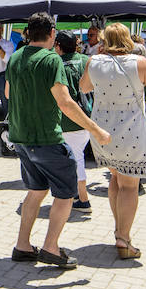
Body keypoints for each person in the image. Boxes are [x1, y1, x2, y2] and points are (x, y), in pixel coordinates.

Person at [6, 12, 112, 270]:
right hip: (46, 138)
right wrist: (95, 129)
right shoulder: (52, 59)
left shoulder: (15, 57)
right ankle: (51, 248)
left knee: (36, 191)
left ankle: (22, 245)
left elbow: (9, 93)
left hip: (20, 137)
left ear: (29, 33)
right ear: (52, 34)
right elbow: (65, 102)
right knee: (66, 194)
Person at [81, 23, 146, 259]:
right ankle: (123, 238)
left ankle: (119, 229)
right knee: (129, 184)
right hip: (130, 131)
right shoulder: (139, 62)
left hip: (102, 130)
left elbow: (84, 87)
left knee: (116, 178)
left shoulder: (94, 61)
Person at [54, 31, 94, 211]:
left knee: (75, 159)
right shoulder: (86, 60)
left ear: (58, 46)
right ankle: (77, 194)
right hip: (87, 115)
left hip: (68, 118)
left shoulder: (56, 64)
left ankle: (83, 199)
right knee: (76, 156)